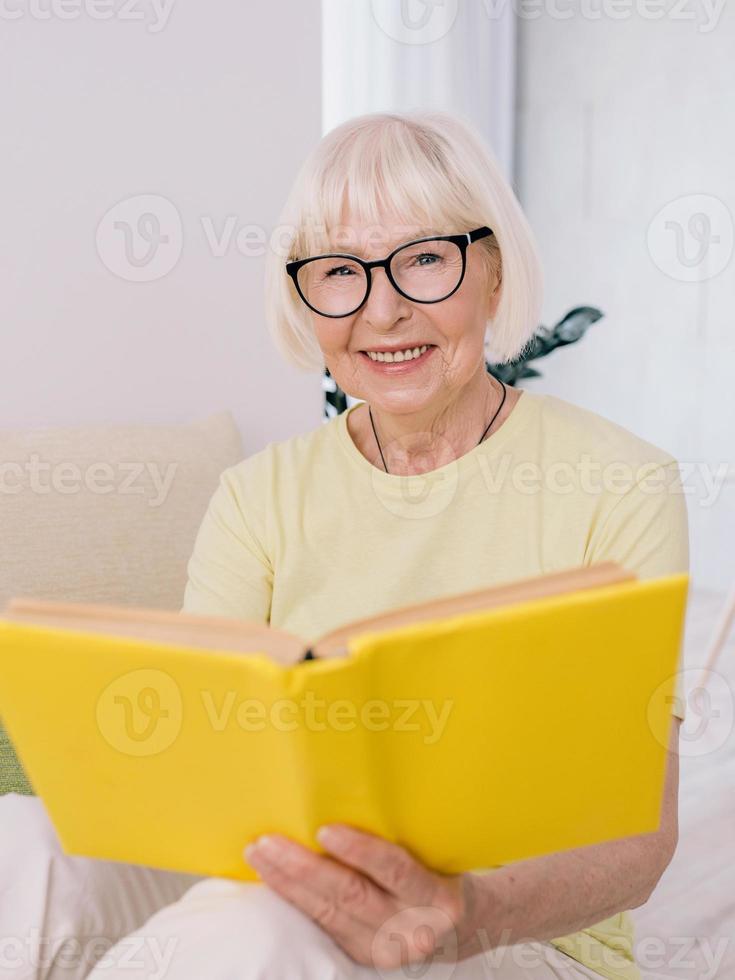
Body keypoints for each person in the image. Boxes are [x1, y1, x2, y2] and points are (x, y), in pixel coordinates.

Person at [12, 110, 689, 980]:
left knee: (254, 938)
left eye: (424, 259)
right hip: (267, 886)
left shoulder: (620, 482)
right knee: (18, 842)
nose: (383, 309)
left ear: (490, 272)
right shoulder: (258, 496)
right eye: (339, 273)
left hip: (514, 938)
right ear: (304, 296)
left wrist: (463, 912)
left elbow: (642, 836)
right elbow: (196, 768)